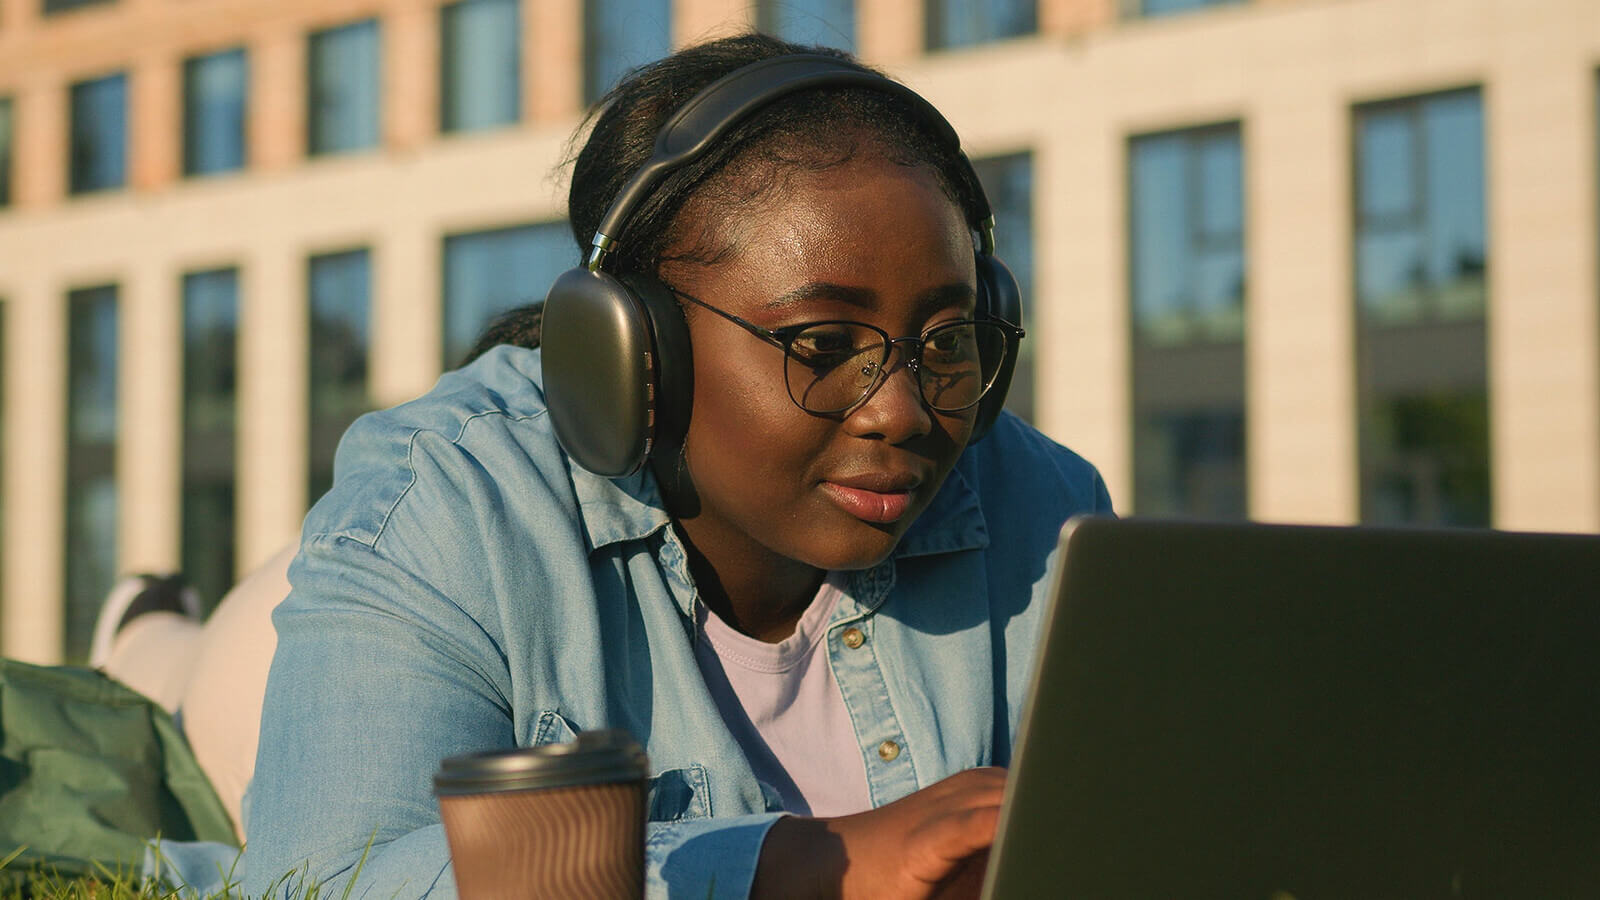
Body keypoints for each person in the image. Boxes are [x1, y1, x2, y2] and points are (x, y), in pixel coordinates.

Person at [237, 33, 1112, 900]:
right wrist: (807, 862)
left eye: (947, 340)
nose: (903, 412)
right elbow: (325, 877)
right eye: (822, 343)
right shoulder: (439, 506)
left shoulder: (1050, 507)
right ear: (634, 351)